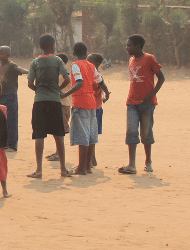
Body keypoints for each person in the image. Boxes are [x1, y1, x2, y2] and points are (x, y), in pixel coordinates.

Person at [26, 34, 72, 178]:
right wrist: (58, 90)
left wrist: (39, 90)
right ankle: (63, 169)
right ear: (53, 46)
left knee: (39, 135)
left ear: (40, 47)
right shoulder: (57, 60)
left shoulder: (35, 62)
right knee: (59, 135)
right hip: (55, 101)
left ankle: (39, 169)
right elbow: (67, 79)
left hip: (39, 101)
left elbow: (29, 84)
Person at [60, 42, 109, 175]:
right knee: (91, 135)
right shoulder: (91, 66)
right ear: (86, 53)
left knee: (82, 135)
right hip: (92, 103)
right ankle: (87, 165)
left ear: (73, 54)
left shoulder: (75, 65)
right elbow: (100, 82)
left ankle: (81, 168)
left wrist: (65, 94)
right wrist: (107, 92)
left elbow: (79, 82)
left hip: (80, 103)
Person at [119, 34, 165, 174]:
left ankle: (148, 161)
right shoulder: (131, 60)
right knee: (131, 132)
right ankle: (132, 164)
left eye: (129, 45)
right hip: (132, 101)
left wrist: (151, 95)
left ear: (137, 47)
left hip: (147, 103)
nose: (127, 48)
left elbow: (161, 78)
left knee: (146, 132)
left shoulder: (149, 59)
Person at [0, 46, 28, 153]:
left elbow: (21, 70)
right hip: (0, 96)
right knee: (1, 120)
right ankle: (3, 143)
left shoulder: (11, 65)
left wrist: (29, 72)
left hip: (10, 96)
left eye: (1, 54)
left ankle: (12, 145)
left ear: (8, 55)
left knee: (12, 121)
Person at [46, 53, 73, 162]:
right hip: (58, 103)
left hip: (63, 104)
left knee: (59, 130)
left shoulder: (62, 73)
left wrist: (57, 89)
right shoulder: (59, 72)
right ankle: (57, 152)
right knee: (56, 130)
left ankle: (59, 153)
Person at [87, 53, 111, 169]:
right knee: (92, 135)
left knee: (90, 135)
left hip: (93, 108)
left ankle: (90, 160)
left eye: (88, 60)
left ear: (95, 63)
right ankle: (92, 159)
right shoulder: (98, 75)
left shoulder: (92, 75)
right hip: (97, 107)